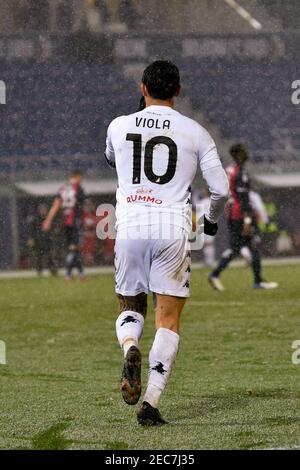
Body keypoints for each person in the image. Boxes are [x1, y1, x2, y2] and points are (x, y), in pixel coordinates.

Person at [105, 60, 229, 425]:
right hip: (173, 229)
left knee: (130, 303)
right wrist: (209, 222)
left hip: (130, 225)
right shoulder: (197, 133)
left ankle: (130, 348)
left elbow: (112, 158)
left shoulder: (118, 125)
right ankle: (151, 405)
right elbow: (220, 189)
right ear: (178, 91)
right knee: (168, 319)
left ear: (143, 87)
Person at [208, 144, 278, 291]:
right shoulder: (240, 171)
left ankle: (217, 274)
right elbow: (243, 197)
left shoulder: (228, 169)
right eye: (244, 152)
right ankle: (256, 281)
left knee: (239, 247)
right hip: (240, 213)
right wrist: (247, 219)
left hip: (230, 212)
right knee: (250, 246)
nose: (247, 154)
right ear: (239, 154)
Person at [42, 169, 86, 281]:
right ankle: (68, 274)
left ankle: (81, 274)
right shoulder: (78, 189)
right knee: (74, 249)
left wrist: (48, 220)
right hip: (74, 222)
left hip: (64, 222)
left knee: (73, 249)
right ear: (76, 177)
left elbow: (56, 205)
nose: (81, 180)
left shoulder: (63, 188)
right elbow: (81, 207)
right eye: (80, 178)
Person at [27, 203, 57, 276]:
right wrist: (31, 239)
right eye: (42, 210)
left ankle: (53, 270)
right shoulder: (35, 219)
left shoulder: (49, 219)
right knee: (39, 258)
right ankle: (39, 271)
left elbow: (53, 230)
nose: (43, 211)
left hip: (47, 241)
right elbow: (31, 231)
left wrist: (53, 238)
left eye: (45, 210)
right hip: (38, 241)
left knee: (50, 257)